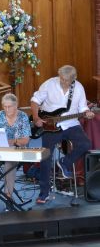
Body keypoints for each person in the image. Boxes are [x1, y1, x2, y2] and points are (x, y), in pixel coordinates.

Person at [31, 65, 94, 204]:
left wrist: (87, 114)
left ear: (73, 79)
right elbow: (35, 100)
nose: (63, 82)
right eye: (61, 79)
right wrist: (36, 118)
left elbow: (82, 108)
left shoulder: (78, 88)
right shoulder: (49, 84)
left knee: (85, 144)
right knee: (45, 157)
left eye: (66, 80)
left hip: (71, 124)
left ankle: (63, 163)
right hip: (49, 125)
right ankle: (44, 193)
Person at [0, 93, 31, 211]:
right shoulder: (1, 115)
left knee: (9, 164)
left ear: (16, 106)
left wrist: (12, 141)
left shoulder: (23, 116)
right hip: (2, 148)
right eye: (4, 106)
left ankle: (8, 196)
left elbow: (25, 140)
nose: (6, 109)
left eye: (9, 106)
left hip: (18, 148)